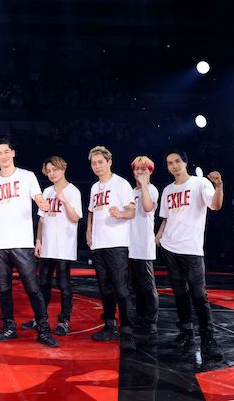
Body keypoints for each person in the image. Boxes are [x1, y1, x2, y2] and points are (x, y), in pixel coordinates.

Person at [0, 138, 59, 348]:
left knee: (33, 288)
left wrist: (41, 203)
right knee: (3, 289)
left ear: (13, 153)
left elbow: (38, 197)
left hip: (22, 242)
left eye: (6, 151)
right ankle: (9, 328)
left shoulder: (27, 176)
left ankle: (43, 329)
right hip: (0, 244)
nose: (3, 156)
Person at [155, 149, 224, 360]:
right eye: (170, 163)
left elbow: (215, 205)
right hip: (169, 247)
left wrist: (219, 186)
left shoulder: (200, 183)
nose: (174, 165)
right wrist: (158, 237)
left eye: (177, 161)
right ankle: (186, 333)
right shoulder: (167, 189)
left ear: (185, 162)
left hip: (191, 249)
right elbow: (166, 218)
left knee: (199, 295)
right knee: (180, 294)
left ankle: (208, 340)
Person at [22, 156, 82, 336]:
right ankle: (40, 317)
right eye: (48, 171)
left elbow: (75, 218)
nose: (51, 173)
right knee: (43, 284)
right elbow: (41, 219)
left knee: (64, 285)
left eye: (54, 169)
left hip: (64, 246)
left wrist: (64, 201)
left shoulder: (73, 191)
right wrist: (38, 241)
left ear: (63, 169)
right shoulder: (47, 191)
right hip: (47, 245)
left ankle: (64, 321)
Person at [86, 145, 136, 352]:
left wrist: (120, 214)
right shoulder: (94, 187)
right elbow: (91, 212)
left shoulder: (121, 184)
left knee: (121, 289)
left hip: (116, 244)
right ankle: (109, 326)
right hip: (98, 244)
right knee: (104, 288)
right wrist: (88, 231)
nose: (97, 166)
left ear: (109, 162)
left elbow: (132, 212)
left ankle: (127, 332)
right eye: (93, 163)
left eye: (100, 162)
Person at [129, 156, 160, 336]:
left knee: (147, 286)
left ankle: (151, 321)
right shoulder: (131, 191)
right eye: (137, 169)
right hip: (130, 244)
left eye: (143, 169)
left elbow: (148, 207)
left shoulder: (152, 190)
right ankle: (140, 317)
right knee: (136, 286)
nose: (139, 172)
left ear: (150, 171)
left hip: (144, 245)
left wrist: (144, 186)